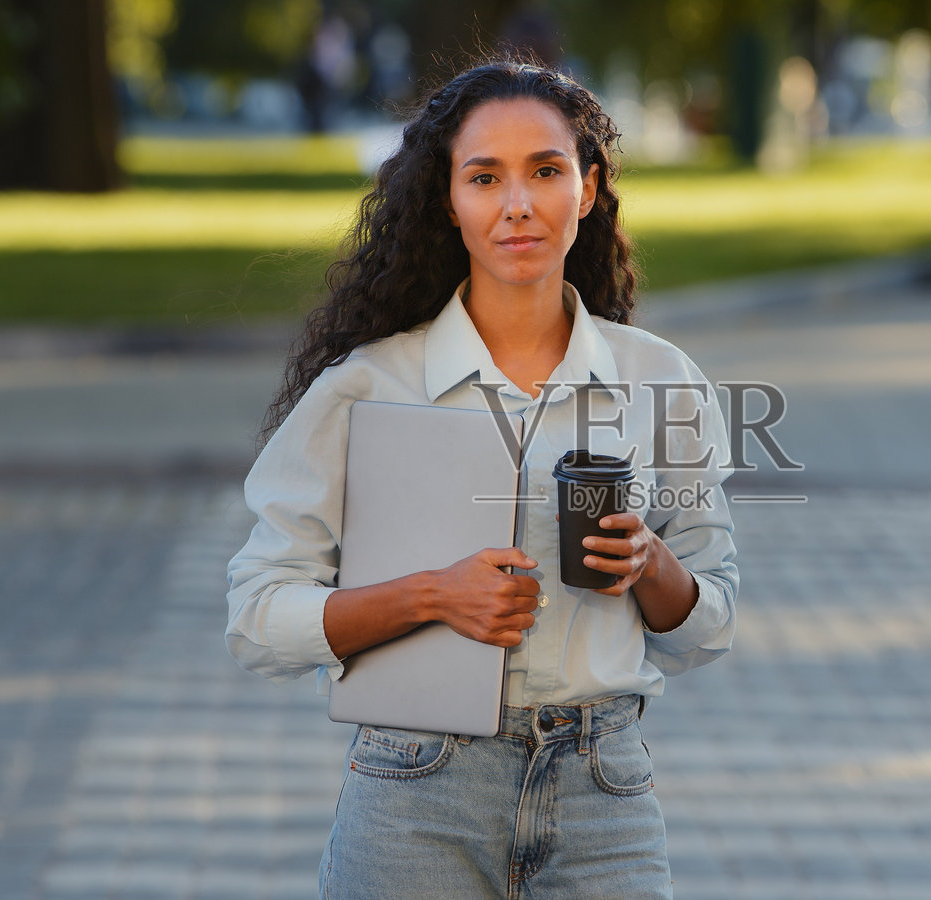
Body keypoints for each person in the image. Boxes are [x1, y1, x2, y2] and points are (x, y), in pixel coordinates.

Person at [226, 57, 738, 899]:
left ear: (588, 188)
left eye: (546, 171)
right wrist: (430, 596)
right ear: (448, 199)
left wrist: (651, 564)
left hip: (603, 791)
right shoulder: (368, 386)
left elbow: (706, 625)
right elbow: (255, 619)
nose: (517, 205)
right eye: (484, 177)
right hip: (416, 789)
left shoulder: (663, 383)